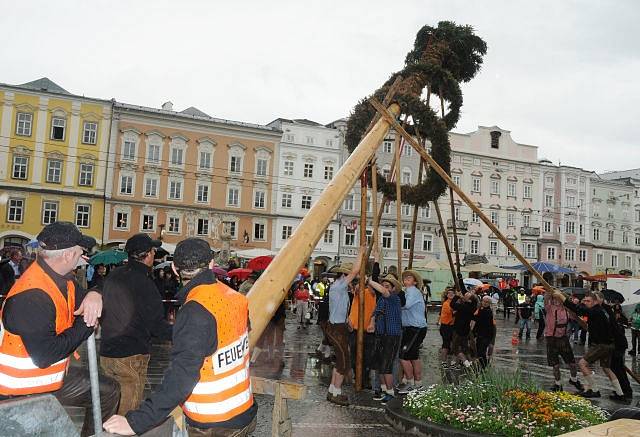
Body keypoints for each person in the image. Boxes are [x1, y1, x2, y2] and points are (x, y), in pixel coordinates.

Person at [103, 238, 257, 436]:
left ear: (175, 269)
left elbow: (182, 376)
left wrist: (136, 422)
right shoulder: (235, 298)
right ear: (211, 264)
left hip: (214, 424)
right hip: (244, 411)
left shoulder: (195, 310)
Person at [0, 222, 120, 437]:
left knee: (107, 392)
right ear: (67, 256)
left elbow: (90, 295)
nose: (83, 257)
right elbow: (46, 355)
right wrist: (87, 323)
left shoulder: (63, 280)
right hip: (17, 394)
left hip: (49, 380)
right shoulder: (31, 296)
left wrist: (95, 293)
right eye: (80, 252)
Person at [100, 233, 173, 415]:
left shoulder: (114, 275)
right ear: (148, 254)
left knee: (108, 409)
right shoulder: (145, 284)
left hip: (107, 353)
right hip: (131, 355)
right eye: (153, 251)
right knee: (127, 414)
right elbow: (156, 326)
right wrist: (183, 333)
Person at [552, 289, 626, 400]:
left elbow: (578, 310)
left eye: (588, 301)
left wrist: (562, 298)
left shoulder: (596, 310)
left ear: (595, 301)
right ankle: (620, 394)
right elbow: (586, 321)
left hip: (601, 345)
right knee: (607, 368)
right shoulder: (601, 311)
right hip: (609, 344)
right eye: (585, 300)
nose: (585, 303)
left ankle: (595, 390)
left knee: (582, 364)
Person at [324, 246, 364, 406]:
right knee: (344, 362)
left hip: (338, 326)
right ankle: (336, 393)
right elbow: (355, 271)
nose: (352, 278)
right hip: (336, 328)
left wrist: (347, 319)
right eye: (349, 275)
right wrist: (360, 253)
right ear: (344, 275)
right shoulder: (339, 285)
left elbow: (339, 307)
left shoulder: (339, 287)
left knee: (340, 360)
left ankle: (332, 390)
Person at [366, 275, 403, 404]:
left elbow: (383, 291)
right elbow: (376, 312)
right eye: (383, 285)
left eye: (387, 286)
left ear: (393, 289)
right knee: (379, 365)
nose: (384, 288)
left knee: (387, 365)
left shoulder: (394, 298)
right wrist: (372, 322)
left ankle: (390, 392)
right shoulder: (381, 299)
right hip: (380, 335)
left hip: (392, 335)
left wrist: (369, 281)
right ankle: (383, 390)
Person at [543, 293, 583, 392]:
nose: (556, 301)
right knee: (555, 364)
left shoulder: (567, 310)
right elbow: (546, 297)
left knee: (572, 363)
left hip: (563, 339)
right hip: (551, 339)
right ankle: (558, 384)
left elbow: (576, 317)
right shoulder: (549, 307)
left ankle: (573, 379)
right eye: (555, 299)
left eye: (558, 299)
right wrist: (550, 291)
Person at [396, 270, 428, 394]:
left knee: (404, 356)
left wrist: (398, 295)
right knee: (413, 356)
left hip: (415, 328)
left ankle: (410, 383)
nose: (406, 279)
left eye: (409, 278)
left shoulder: (413, 292)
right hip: (412, 327)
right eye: (405, 278)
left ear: (414, 282)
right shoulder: (407, 292)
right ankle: (418, 383)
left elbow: (405, 305)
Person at [449, 289, 477, 370]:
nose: (464, 295)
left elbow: (452, 304)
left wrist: (457, 296)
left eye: (466, 296)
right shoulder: (472, 306)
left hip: (459, 329)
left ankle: (467, 364)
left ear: (469, 300)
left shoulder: (464, 306)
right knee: (465, 348)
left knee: (455, 348)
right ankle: (456, 363)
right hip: (466, 330)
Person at [473, 295, 496, 369]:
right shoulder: (481, 309)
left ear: (489, 303)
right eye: (484, 301)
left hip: (486, 335)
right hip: (480, 334)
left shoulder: (488, 311)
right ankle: (482, 366)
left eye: (487, 302)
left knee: (481, 352)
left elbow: (478, 318)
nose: (485, 303)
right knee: (479, 352)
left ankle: (484, 367)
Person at [438, 288, 456, 366]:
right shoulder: (446, 303)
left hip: (452, 326)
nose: (451, 294)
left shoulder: (454, 302)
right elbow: (453, 312)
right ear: (447, 295)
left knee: (452, 344)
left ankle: (452, 361)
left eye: (452, 293)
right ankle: (443, 362)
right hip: (446, 326)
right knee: (446, 344)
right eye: (449, 293)